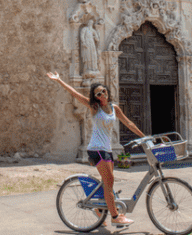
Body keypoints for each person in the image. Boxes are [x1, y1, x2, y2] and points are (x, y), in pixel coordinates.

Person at [47, 72, 144, 227]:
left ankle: (99, 209)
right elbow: (75, 93)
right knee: (109, 182)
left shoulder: (114, 108)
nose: (102, 94)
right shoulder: (94, 108)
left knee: (108, 183)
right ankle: (115, 216)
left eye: (103, 91)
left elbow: (129, 123)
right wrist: (59, 80)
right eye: (98, 93)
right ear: (96, 97)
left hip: (107, 149)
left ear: (107, 91)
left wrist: (144, 136)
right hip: (96, 149)